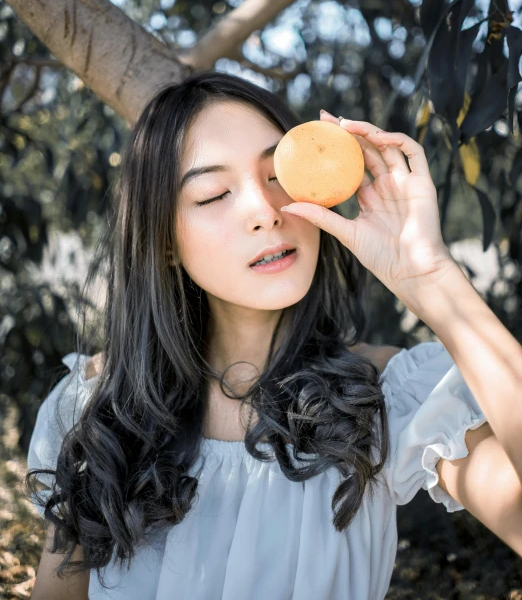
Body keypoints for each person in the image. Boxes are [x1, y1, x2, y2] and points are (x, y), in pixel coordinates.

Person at [25, 71, 522, 600]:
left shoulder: (385, 397)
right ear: (164, 241)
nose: (265, 213)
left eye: (279, 176)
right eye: (214, 194)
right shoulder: (97, 410)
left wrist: (433, 281)